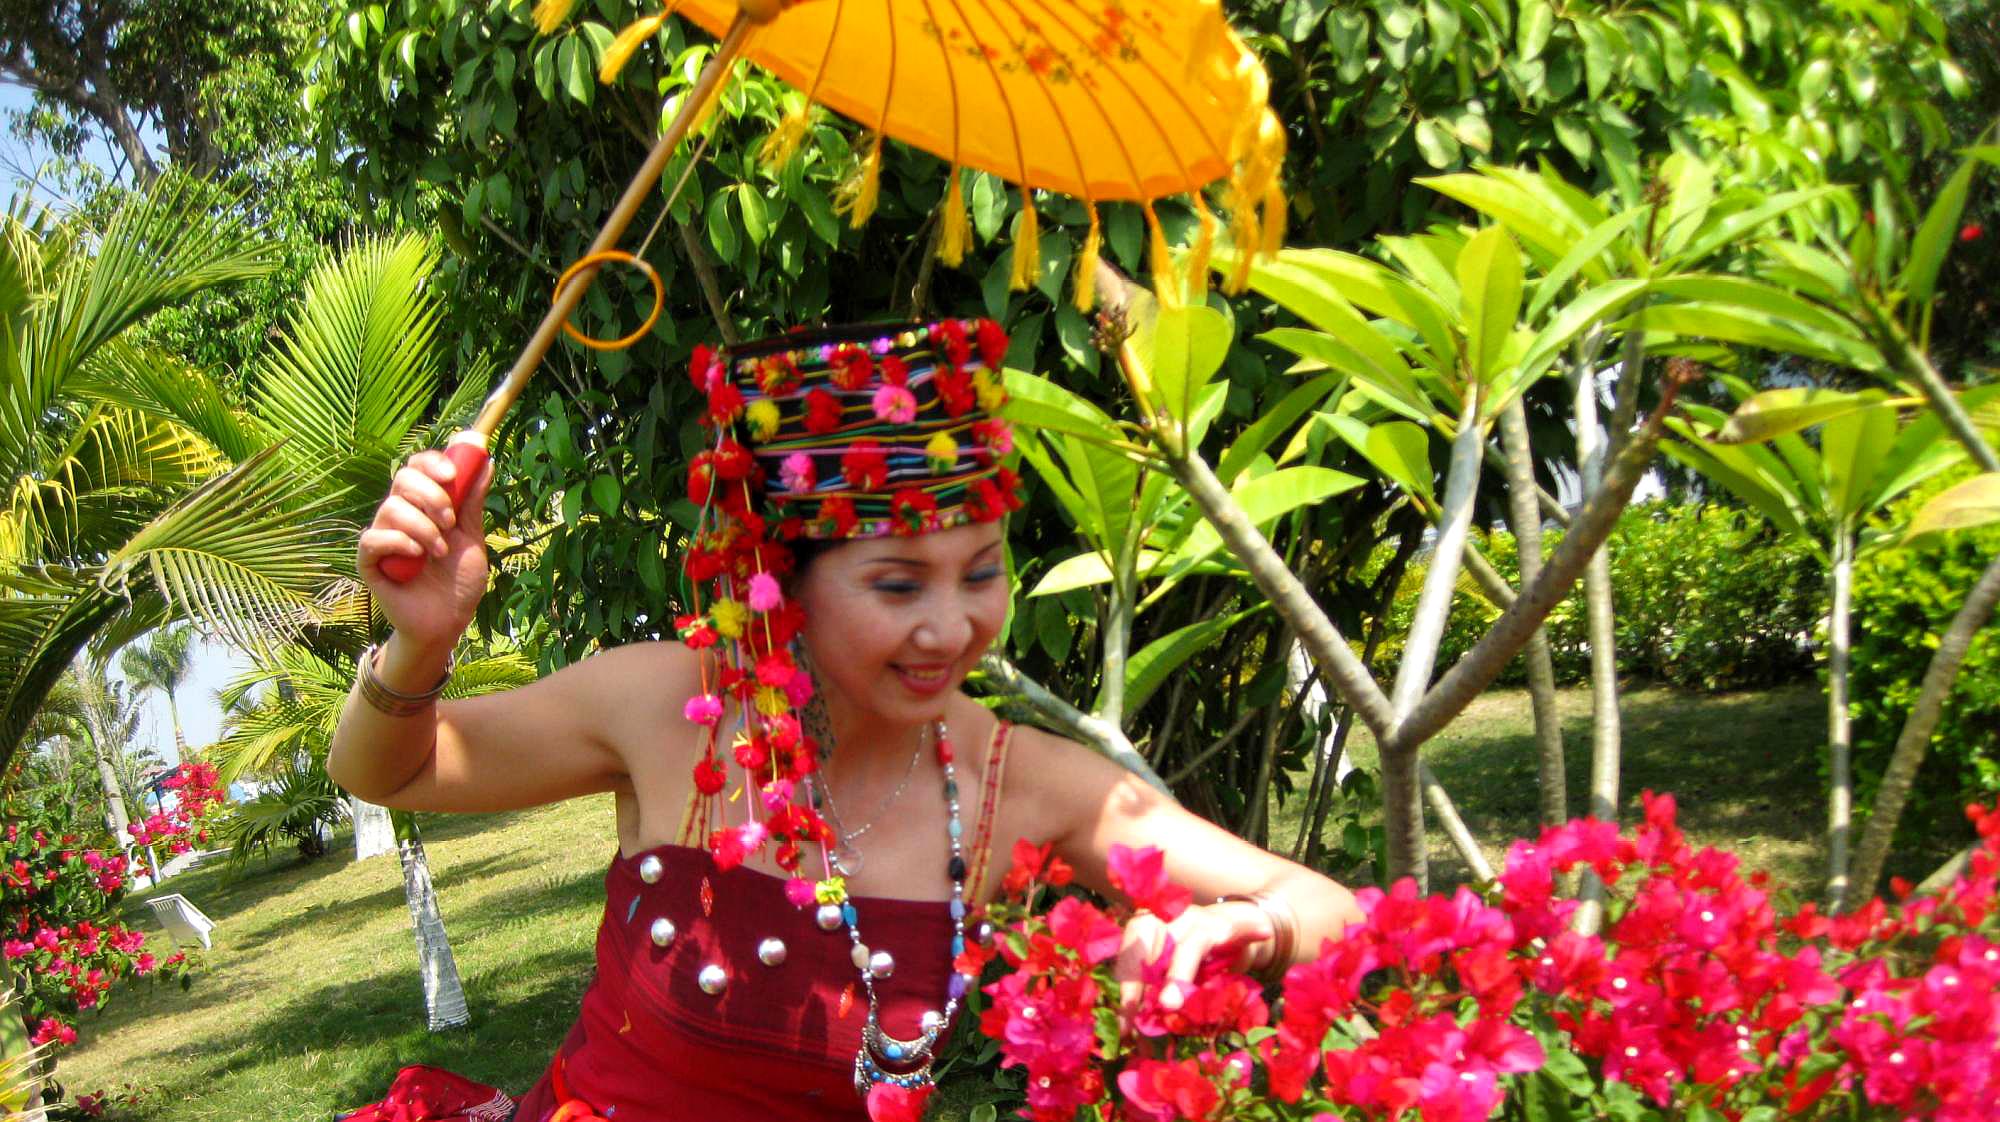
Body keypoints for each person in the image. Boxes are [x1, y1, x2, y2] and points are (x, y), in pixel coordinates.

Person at [329, 317, 1363, 1122]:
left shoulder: (1019, 785)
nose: (951, 626)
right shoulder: (668, 711)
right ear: (784, 582)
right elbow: (396, 773)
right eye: (898, 583)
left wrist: (1245, 926)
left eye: (982, 573)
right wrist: (422, 641)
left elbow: (1336, 915)